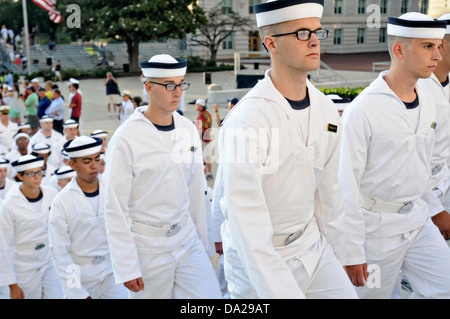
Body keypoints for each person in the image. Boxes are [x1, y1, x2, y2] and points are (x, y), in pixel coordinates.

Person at [216, 0, 357, 299]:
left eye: (317, 32)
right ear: (271, 44)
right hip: (260, 261)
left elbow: (329, 195)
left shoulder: (326, 110)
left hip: (312, 249)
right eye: (302, 33)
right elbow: (247, 224)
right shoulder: (248, 120)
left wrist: (341, 255)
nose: (315, 40)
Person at [339, 12, 450, 299]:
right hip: (375, 234)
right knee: (372, 297)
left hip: (418, 223)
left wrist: (433, 210)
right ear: (399, 50)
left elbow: (421, 167)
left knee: (445, 287)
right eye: (428, 46)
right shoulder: (362, 110)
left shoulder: (427, 101)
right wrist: (351, 250)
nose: (437, 55)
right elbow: (345, 185)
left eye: (438, 46)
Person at [103, 54, 222, 299]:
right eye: (169, 85)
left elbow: (196, 191)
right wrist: (126, 265)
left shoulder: (187, 128)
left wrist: (204, 242)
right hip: (148, 248)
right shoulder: (127, 137)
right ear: (148, 87)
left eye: (181, 84)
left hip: (187, 240)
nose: (177, 92)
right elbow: (114, 205)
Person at [49, 136, 127, 299]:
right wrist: (77, 293)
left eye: (97, 159)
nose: (94, 166)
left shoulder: (112, 189)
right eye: (86, 161)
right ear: (72, 164)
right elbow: (59, 252)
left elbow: (126, 230)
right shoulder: (61, 202)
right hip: (80, 273)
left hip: (111, 272)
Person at [0, 155, 64, 299]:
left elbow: (60, 227)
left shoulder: (51, 193)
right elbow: (4, 245)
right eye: (31, 174)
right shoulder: (9, 204)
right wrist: (12, 284)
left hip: (49, 260)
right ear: (20, 176)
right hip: (24, 266)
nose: (37, 177)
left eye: (39, 172)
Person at [417, 13, 450, 241]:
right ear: (444, 44)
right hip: (421, 198)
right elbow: (409, 161)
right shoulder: (419, 90)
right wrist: (436, 211)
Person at [195, 98, 213, 180]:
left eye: (197, 104)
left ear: (201, 106)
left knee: (203, 157)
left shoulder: (201, 115)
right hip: (208, 137)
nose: (195, 106)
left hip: (202, 138)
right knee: (208, 156)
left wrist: (196, 139)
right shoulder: (207, 113)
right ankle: (209, 172)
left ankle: (204, 174)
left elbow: (200, 128)